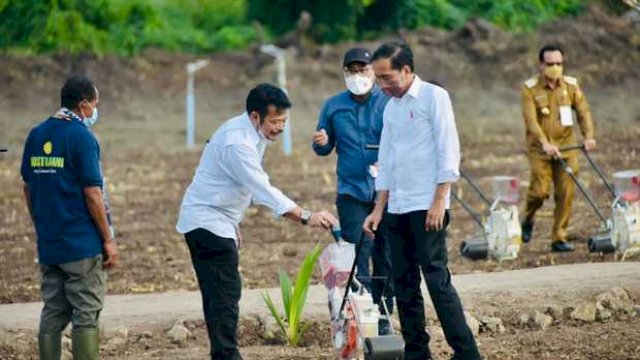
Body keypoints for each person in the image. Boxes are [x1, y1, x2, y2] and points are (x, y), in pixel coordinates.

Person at [176, 83, 338, 360]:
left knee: (221, 293)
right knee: (225, 294)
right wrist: (307, 216)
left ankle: (223, 353)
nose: (280, 128)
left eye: (284, 121)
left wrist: (232, 223)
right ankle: (226, 355)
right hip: (206, 220)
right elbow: (263, 189)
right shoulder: (237, 143)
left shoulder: (249, 133)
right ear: (255, 117)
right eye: (275, 121)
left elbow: (237, 185)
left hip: (217, 220)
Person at [364, 42, 482, 360]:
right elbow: (386, 161)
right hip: (397, 207)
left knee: (436, 280)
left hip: (427, 205)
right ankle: (417, 352)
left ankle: (467, 352)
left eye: (387, 77)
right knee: (403, 283)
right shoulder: (390, 108)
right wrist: (378, 209)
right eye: (378, 79)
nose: (382, 85)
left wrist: (439, 201)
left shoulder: (434, 97)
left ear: (406, 70)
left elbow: (448, 149)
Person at [21, 74, 118, 360]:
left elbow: (28, 187)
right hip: (81, 244)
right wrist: (108, 240)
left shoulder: (36, 134)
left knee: (53, 309)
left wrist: (41, 225)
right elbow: (92, 193)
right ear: (84, 105)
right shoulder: (82, 138)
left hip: (50, 242)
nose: (95, 112)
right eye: (95, 105)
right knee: (86, 312)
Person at [312, 47, 394, 335]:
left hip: (386, 192)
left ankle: (385, 314)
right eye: (352, 70)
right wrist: (321, 141)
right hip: (351, 191)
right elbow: (323, 146)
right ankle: (363, 311)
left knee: (386, 253)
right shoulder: (333, 106)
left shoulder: (388, 102)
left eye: (364, 69)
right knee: (358, 250)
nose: (358, 75)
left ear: (374, 72)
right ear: (345, 74)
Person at [520, 44, 596, 252]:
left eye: (558, 63)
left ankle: (558, 237)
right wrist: (544, 142)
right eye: (550, 63)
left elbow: (583, 113)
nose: (555, 67)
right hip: (540, 149)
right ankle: (527, 218)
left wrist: (589, 136)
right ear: (541, 64)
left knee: (566, 192)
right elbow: (531, 121)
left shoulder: (571, 86)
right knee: (540, 191)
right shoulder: (530, 88)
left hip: (566, 147)